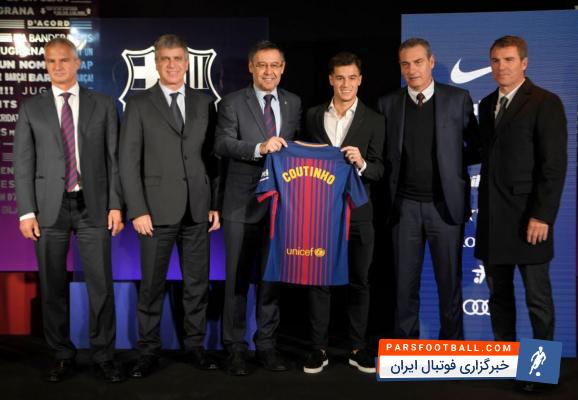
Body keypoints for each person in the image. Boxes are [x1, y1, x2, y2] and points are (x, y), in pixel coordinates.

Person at [14, 38, 124, 382]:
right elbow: (23, 163)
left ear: (78, 63)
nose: (57, 66)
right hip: (50, 208)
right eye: (51, 61)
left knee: (101, 285)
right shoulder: (31, 108)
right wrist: (26, 211)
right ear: (45, 65)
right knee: (53, 286)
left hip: (94, 206)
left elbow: (114, 159)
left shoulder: (102, 104)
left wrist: (116, 204)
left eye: (64, 60)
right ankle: (61, 354)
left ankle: (104, 355)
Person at [119, 34, 220, 378]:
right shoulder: (139, 104)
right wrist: (137, 209)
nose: (172, 65)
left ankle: (196, 347)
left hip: (197, 209)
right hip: (154, 211)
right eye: (165, 59)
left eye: (178, 58)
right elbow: (128, 162)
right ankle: (147, 351)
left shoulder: (204, 102)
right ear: (156, 63)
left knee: (197, 284)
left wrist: (214, 203)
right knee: (151, 287)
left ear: (187, 63)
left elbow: (212, 158)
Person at [377, 38, 478, 340]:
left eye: (418, 62)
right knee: (404, 286)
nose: (412, 69)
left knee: (449, 284)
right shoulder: (388, 103)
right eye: (405, 64)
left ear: (431, 62)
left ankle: (451, 347)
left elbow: (476, 147)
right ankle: (406, 348)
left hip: (444, 207)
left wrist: (451, 167)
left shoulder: (458, 99)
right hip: (403, 207)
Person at [214, 40, 301, 376]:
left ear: (283, 68)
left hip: (281, 205)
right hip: (241, 203)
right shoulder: (232, 102)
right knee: (236, 280)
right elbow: (222, 143)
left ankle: (266, 345)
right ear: (251, 67)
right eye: (262, 65)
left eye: (275, 65)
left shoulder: (293, 102)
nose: (268, 71)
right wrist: (259, 147)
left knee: (270, 279)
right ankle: (235, 348)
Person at [475, 35, 567, 345]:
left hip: (530, 220)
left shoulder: (545, 102)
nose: (501, 66)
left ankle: (540, 368)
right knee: (498, 299)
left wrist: (542, 215)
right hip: (494, 221)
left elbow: (553, 166)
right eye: (495, 60)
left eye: (509, 60)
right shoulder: (487, 104)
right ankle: (506, 362)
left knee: (537, 300)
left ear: (524, 63)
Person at [302, 52, 384, 374]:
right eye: (340, 78)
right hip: (319, 215)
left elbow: (380, 169)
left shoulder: (374, 119)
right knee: (318, 281)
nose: (345, 84)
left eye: (351, 78)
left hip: (358, 213)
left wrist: (362, 163)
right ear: (331, 80)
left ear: (360, 80)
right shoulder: (312, 116)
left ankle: (357, 347)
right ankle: (318, 348)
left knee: (359, 281)